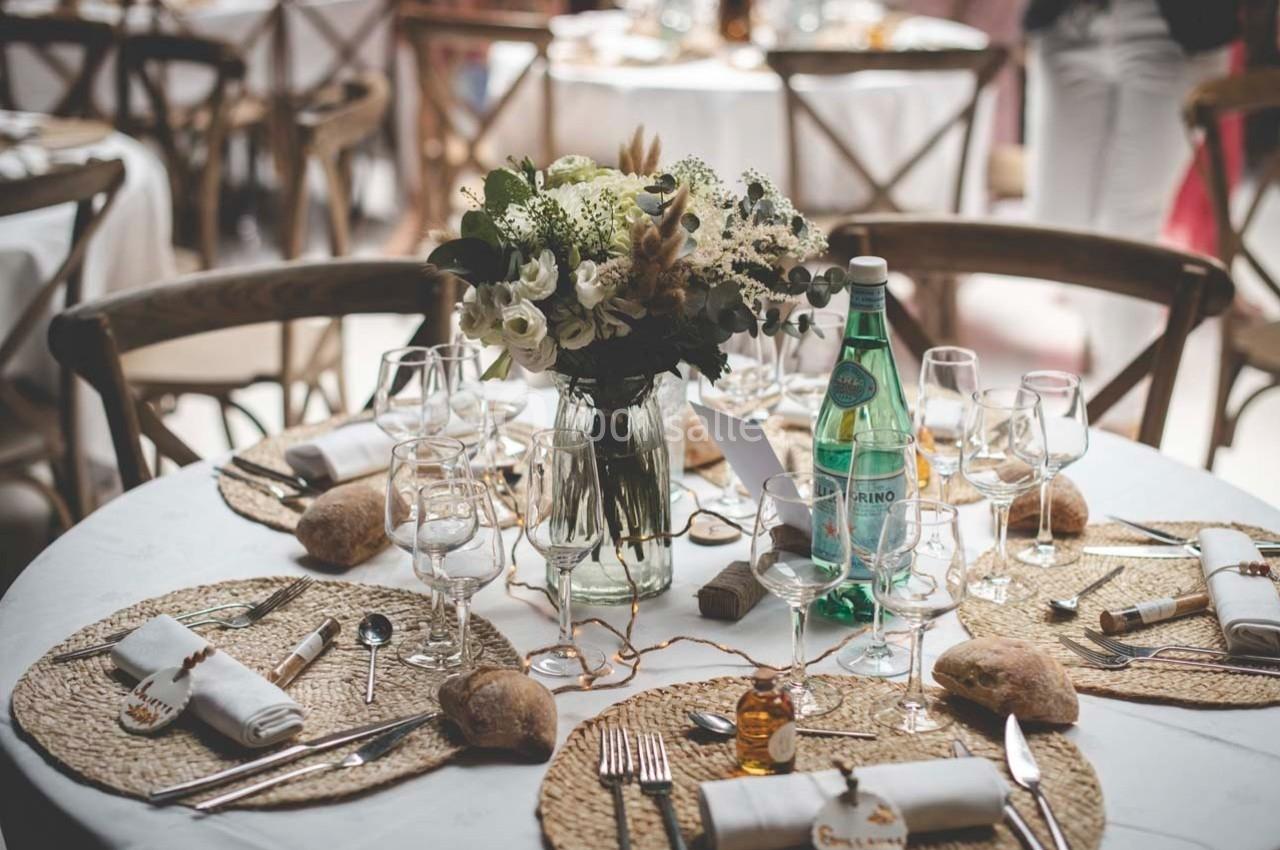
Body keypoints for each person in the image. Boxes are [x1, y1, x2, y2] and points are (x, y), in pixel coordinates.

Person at [1024, 0, 1239, 430]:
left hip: (1172, 29)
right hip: (1069, 22)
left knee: (1129, 228)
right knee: (1056, 222)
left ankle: (1119, 421)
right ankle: (1105, 351)